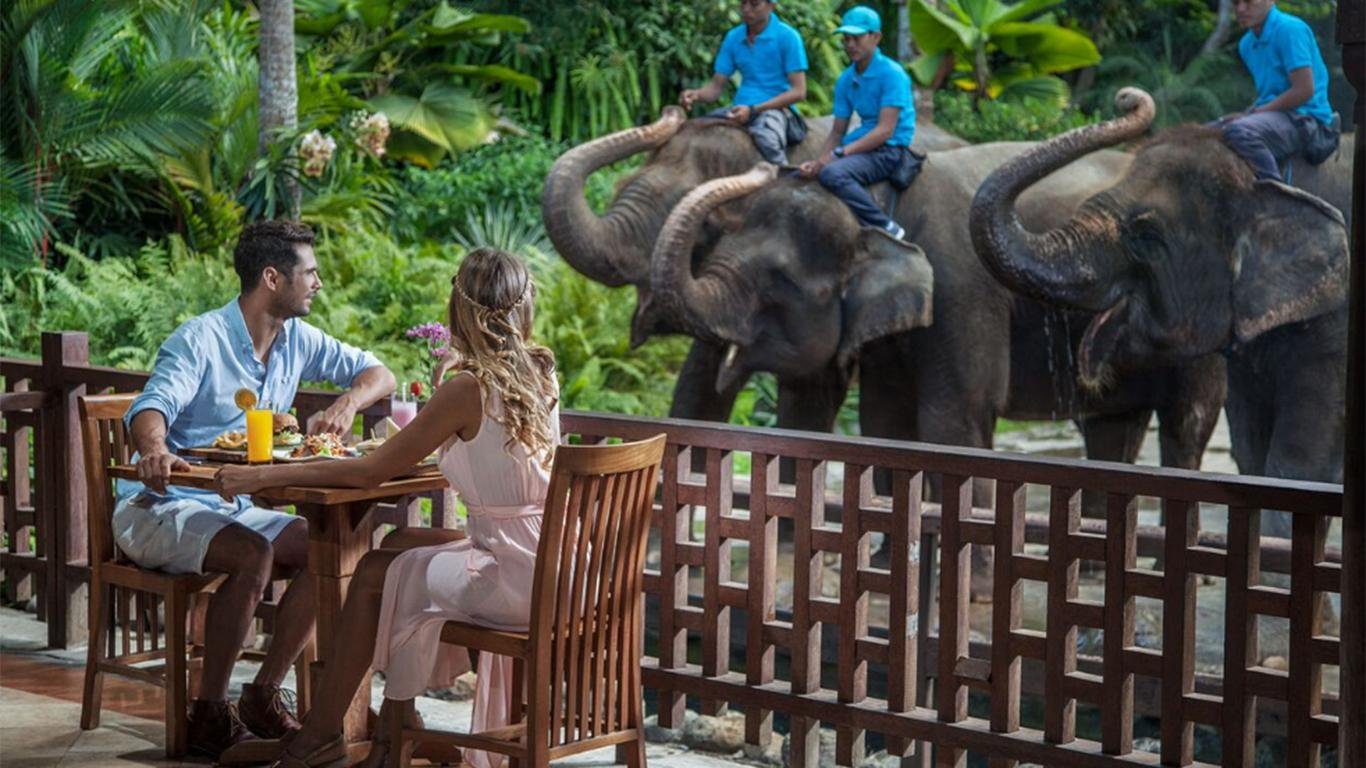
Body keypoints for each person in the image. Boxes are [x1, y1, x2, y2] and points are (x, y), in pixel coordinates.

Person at [214, 248, 561, 768]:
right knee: (398, 547)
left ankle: (322, 736)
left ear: (459, 309)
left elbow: (367, 472)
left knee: (376, 570)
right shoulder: (540, 371)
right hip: (557, 562)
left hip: (516, 577)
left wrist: (262, 475)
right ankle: (396, 732)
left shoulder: (468, 388)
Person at [119, 220, 396, 758]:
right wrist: (153, 449)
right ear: (273, 278)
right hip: (160, 504)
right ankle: (209, 712)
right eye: (310, 273)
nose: (318, 283)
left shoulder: (298, 339)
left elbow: (377, 372)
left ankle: (262, 695)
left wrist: (345, 404)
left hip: (235, 504)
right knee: (254, 554)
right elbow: (151, 406)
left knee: (325, 548)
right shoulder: (200, 338)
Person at [799, 6, 915, 240]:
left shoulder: (892, 74)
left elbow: (885, 130)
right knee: (808, 175)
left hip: (889, 149)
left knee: (834, 175)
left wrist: (841, 153)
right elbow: (837, 131)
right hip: (862, 142)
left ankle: (886, 227)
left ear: (876, 37)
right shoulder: (846, 79)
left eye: (857, 38)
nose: (850, 44)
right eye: (846, 39)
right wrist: (819, 161)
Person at [1213, 0, 1339, 181]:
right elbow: (1271, 92)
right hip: (1275, 115)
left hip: (1306, 118)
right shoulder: (1247, 44)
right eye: (1235, 3)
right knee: (1207, 131)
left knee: (1240, 131)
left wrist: (1258, 112)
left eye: (1248, 2)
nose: (1241, 9)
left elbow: (1304, 90)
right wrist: (1249, 112)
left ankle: (1274, 194)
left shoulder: (1290, 30)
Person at [680, 0, 809, 164]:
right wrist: (696, 95)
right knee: (694, 129)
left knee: (767, 139)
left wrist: (754, 110)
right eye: (743, 4)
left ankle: (782, 177)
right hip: (740, 108)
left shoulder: (788, 37)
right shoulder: (734, 37)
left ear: (771, 6)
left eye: (754, 4)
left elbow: (799, 92)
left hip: (776, 109)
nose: (747, 10)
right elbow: (715, 88)